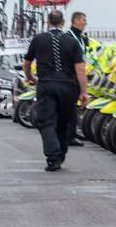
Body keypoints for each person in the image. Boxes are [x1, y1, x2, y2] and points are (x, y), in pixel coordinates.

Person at [23, 10, 88, 172]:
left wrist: (30, 77)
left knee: (46, 121)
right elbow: (80, 69)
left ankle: (53, 157)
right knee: (64, 122)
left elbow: (27, 63)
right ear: (63, 23)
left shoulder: (38, 39)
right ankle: (61, 153)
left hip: (47, 85)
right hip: (68, 86)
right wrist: (84, 92)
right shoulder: (72, 41)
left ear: (48, 22)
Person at [66, 11, 89, 146]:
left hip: (77, 74)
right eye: (83, 20)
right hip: (72, 75)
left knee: (73, 107)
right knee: (72, 107)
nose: (85, 23)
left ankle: (72, 133)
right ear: (76, 21)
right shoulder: (70, 37)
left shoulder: (80, 37)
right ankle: (70, 136)